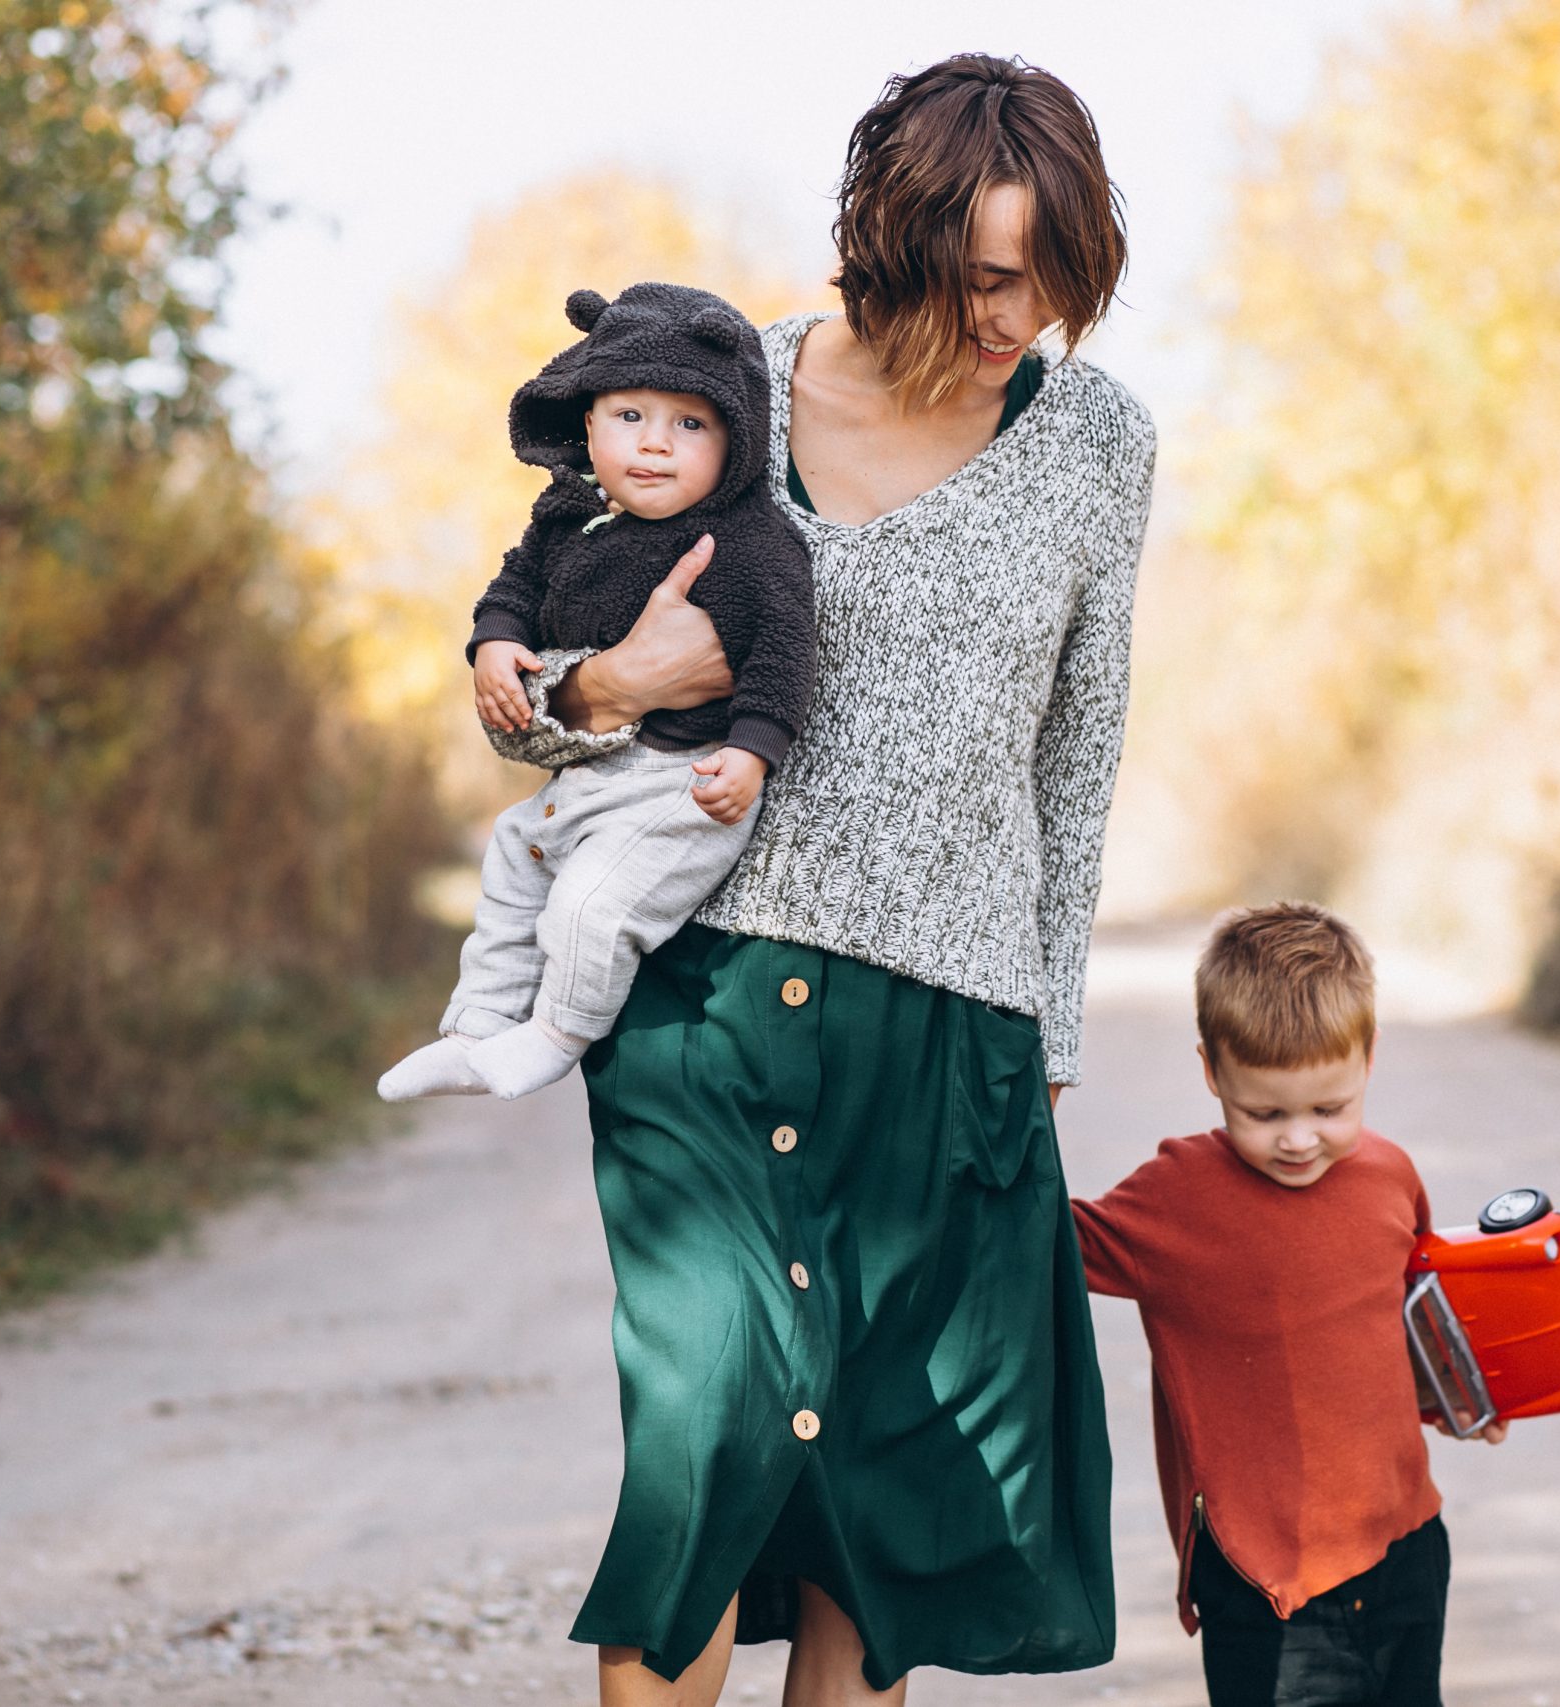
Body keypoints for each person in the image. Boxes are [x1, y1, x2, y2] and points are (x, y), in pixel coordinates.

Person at [485, 53, 1155, 1707]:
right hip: (697, 1010)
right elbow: (533, 696)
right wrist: (607, 693)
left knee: (882, 1497)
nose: (1022, 318)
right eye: (992, 275)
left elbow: (1077, 758)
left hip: (946, 1028)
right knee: (702, 1455)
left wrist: (1047, 1035)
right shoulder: (719, 393)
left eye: (1052, 278)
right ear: (895, 236)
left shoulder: (1098, 443)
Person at [376, 283, 813, 1103]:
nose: (655, 445)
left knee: (589, 904)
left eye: (690, 424)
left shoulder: (749, 544)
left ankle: (555, 1034)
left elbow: (785, 653)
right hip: (592, 774)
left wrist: (755, 753)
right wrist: (496, 643)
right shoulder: (569, 517)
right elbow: (516, 584)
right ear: (587, 420)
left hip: (687, 783)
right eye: (630, 417)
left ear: (737, 441)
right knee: (513, 853)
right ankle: (476, 1028)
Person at [1069, 902, 1506, 1707]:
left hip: (1408, 1544)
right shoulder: (1177, 1197)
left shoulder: (1391, 1176)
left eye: (1328, 1109)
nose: (1299, 1138)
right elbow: (1044, 1242)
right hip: (1267, 1581)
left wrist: (1451, 1397)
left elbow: (1397, 1319)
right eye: (1264, 1113)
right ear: (1213, 1072)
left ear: (1368, 1057)